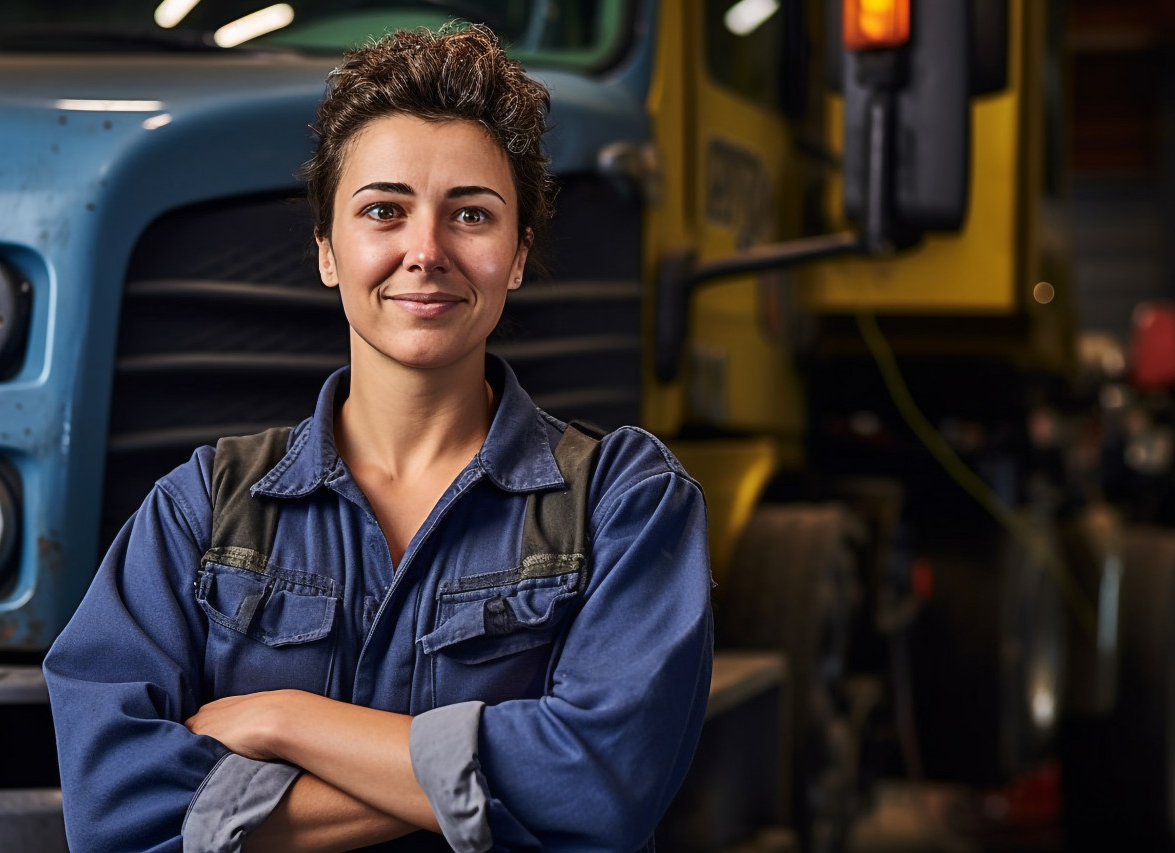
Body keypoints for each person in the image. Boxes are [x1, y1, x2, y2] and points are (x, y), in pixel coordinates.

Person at [44, 24, 712, 853]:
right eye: (383, 211)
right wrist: (507, 772)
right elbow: (114, 809)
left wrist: (285, 719)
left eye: (471, 213)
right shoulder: (204, 507)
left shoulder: (626, 499)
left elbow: (603, 781)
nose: (425, 252)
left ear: (516, 254)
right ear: (328, 249)